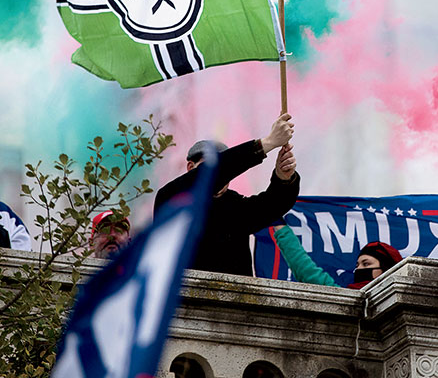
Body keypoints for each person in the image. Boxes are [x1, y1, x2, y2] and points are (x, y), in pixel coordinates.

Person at [154, 113, 300, 276]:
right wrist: (267, 143)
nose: (222, 176)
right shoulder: (172, 197)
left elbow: (272, 205)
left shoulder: (236, 205)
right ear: (190, 167)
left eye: (227, 172)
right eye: (209, 166)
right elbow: (214, 174)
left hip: (236, 299)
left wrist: (284, 178)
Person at [272, 220, 402, 289]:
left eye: (366, 264)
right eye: (357, 265)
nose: (359, 269)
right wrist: (280, 226)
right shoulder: (345, 295)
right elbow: (305, 270)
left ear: (386, 269)